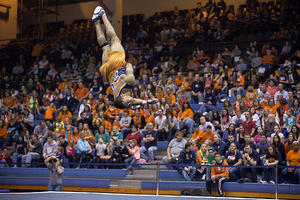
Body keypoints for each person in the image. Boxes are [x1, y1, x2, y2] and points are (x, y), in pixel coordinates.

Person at [92, 6, 157, 109]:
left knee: (114, 40)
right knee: (104, 46)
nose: (130, 103)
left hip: (116, 65)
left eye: (127, 103)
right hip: (107, 73)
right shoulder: (117, 97)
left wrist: (128, 66)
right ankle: (96, 21)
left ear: (122, 97)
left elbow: (129, 65)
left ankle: (103, 15)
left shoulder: (129, 81)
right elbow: (133, 101)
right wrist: (146, 102)